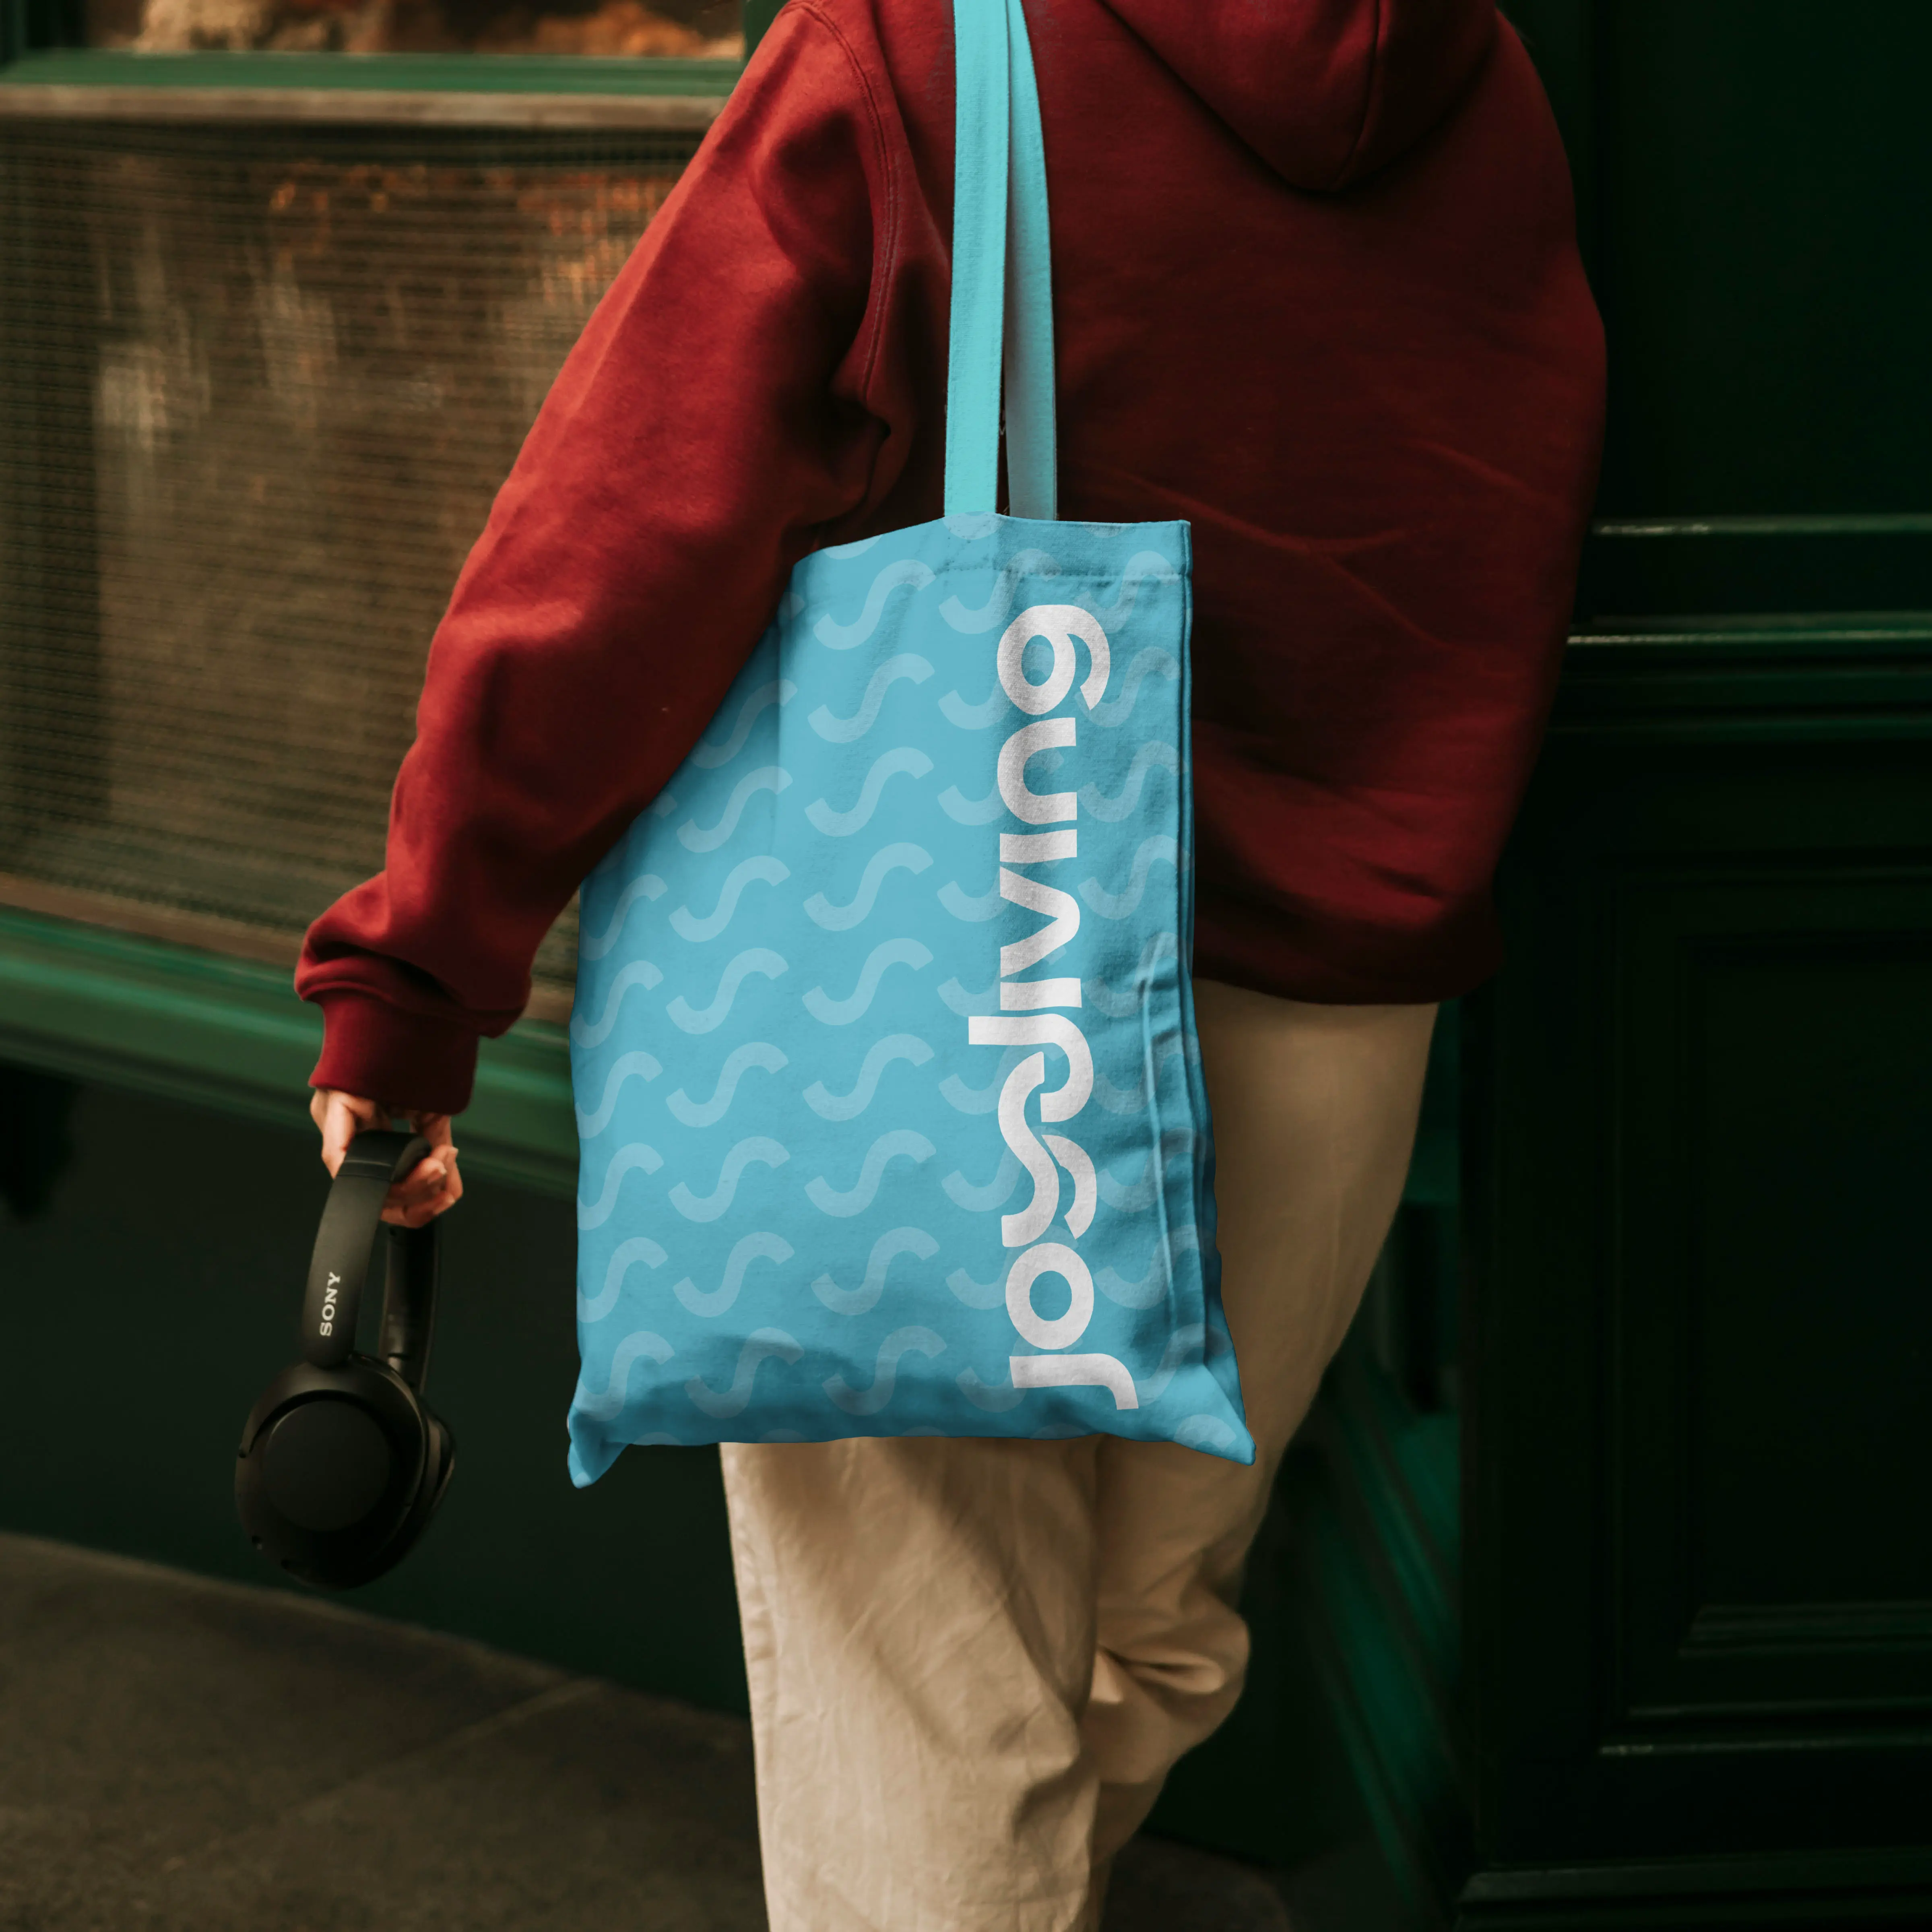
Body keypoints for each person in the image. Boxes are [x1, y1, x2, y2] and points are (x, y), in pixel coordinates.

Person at [298, 0, 1604, 1923]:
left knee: (936, 1722)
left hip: (944, 991)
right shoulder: (1476, 77)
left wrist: (419, 975)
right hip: (1331, 1012)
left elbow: (625, 537)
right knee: (1143, 1643)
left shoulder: (915, 43)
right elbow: (1486, 514)